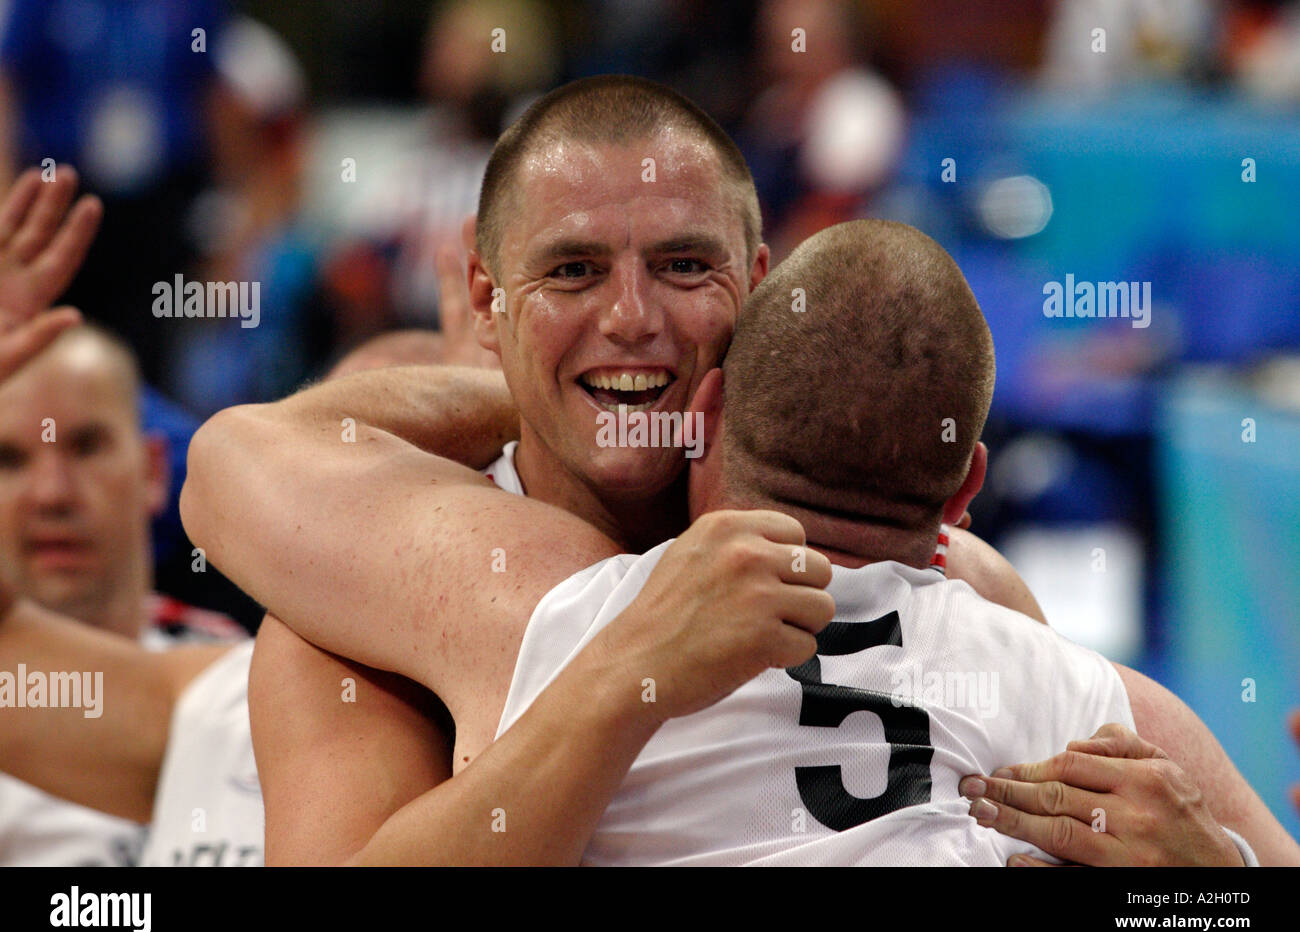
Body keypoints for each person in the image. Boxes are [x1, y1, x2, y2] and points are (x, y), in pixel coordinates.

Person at [183, 76, 1295, 864]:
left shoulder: (961, 586)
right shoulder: (365, 600)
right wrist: (622, 667)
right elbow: (228, 459)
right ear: (487, 299)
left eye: (681, 266)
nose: (631, 318)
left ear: (759, 285)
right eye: (572, 272)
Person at [0, 167, 255, 866]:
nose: (52, 492)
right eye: (9, 459)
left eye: (86, 446)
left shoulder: (248, 675)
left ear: (150, 471)